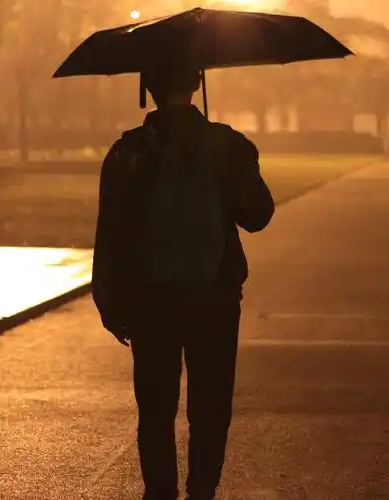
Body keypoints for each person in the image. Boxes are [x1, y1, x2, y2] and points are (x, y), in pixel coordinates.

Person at [91, 63, 275, 500]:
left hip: (150, 301)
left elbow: (110, 233)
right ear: (197, 82)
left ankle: (160, 492)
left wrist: (111, 305)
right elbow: (258, 215)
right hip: (215, 297)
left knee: (156, 410)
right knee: (211, 408)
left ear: (148, 88)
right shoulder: (226, 145)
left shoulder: (127, 152)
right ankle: (202, 491)